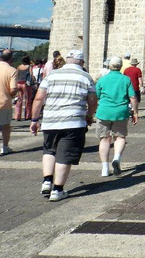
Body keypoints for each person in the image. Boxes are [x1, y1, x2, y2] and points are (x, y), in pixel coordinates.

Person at [29, 49, 96, 202]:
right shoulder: (85, 77)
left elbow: (39, 98)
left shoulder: (51, 75)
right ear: (81, 62)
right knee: (64, 156)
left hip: (51, 120)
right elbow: (92, 100)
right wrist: (89, 116)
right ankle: (58, 190)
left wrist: (34, 119)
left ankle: (47, 181)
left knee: (49, 150)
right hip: (73, 121)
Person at [95, 56, 139, 177]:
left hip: (104, 111)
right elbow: (133, 97)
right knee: (120, 137)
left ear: (109, 66)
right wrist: (135, 112)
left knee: (104, 139)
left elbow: (96, 96)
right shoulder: (126, 79)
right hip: (120, 112)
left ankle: (104, 168)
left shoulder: (102, 80)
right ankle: (116, 159)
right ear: (120, 67)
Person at [15, 55, 34, 121]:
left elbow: (16, 75)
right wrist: (34, 81)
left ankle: (17, 116)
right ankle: (27, 115)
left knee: (19, 100)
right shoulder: (29, 66)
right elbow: (31, 75)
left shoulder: (19, 67)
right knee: (28, 100)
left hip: (19, 84)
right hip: (26, 84)